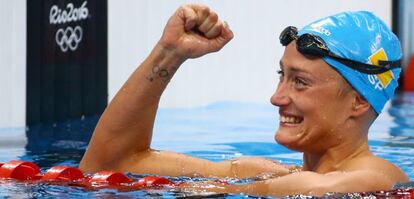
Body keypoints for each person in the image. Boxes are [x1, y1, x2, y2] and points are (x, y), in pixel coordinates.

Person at [79, 4, 408, 197]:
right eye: (282, 76)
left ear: (359, 102)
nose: (277, 97)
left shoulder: (380, 178)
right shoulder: (264, 174)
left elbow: (323, 190)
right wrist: (169, 54)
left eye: (301, 82)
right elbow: (108, 163)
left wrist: (228, 188)